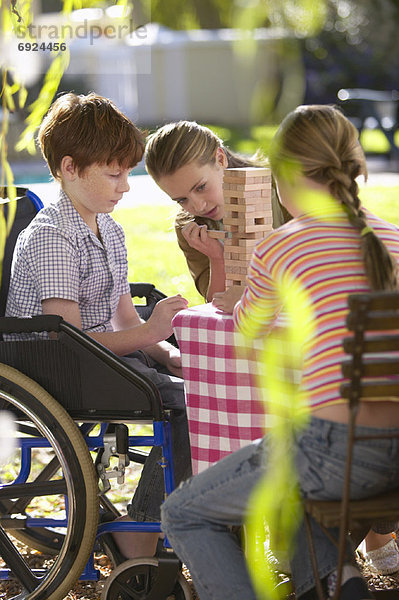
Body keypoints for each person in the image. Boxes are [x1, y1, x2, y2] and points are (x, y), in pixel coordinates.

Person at [161, 105, 399, 600]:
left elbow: (246, 327)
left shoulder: (281, 248)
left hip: (331, 448)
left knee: (184, 513)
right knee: (301, 516)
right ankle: (343, 585)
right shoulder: (393, 240)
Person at [5, 92, 192, 563]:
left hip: (98, 361)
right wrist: (152, 335)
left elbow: (124, 317)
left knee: (198, 384)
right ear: (70, 168)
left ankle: (156, 520)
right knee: (187, 405)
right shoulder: (51, 236)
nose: (126, 186)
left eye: (127, 172)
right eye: (114, 173)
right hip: (53, 369)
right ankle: (142, 533)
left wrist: (171, 355)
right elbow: (67, 340)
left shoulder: (108, 229)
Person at [144, 120, 292, 302]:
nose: (197, 207)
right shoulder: (192, 228)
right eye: (182, 200)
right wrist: (217, 257)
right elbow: (216, 305)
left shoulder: (283, 190)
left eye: (200, 187)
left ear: (220, 159)